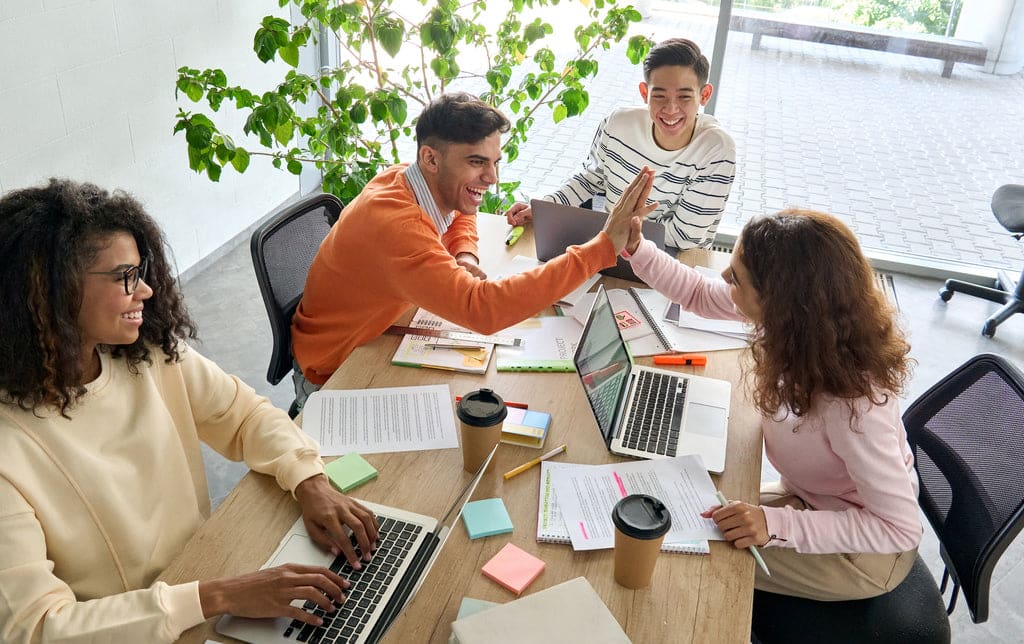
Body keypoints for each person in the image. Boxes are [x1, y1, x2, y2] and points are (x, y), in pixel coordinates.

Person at [0, 179, 381, 642]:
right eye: (125, 276)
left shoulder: (150, 354)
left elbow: (244, 415)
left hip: (203, 578)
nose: (145, 290)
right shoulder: (9, 448)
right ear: (49, 291)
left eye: (141, 272)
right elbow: (35, 628)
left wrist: (310, 479)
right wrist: (216, 597)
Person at [623, 209, 922, 601]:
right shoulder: (801, 326)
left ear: (780, 301)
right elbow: (697, 293)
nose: (724, 280)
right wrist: (637, 248)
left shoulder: (853, 406)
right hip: (810, 501)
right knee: (679, 518)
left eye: (736, 277)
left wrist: (775, 523)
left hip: (864, 554)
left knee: (685, 555)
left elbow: (898, 529)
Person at [291, 92, 655, 395]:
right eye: (477, 162)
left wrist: (463, 251)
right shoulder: (396, 226)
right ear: (430, 159)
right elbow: (483, 310)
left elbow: (459, 209)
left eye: (495, 161)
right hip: (333, 371)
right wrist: (601, 248)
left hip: (376, 332)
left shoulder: (404, 179)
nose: (492, 178)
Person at [505, 37, 736, 251]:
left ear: (704, 95)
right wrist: (545, 207)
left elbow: (686, 237)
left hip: (673, 261)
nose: (671, 109)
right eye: (659, 96)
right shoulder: (617, 124)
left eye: (684, 97)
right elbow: (590, 179)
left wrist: (614, 229)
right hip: (612, 250)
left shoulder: (717, 149)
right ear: (644, 93)